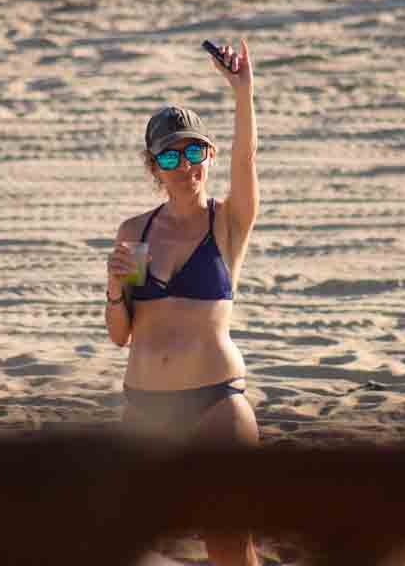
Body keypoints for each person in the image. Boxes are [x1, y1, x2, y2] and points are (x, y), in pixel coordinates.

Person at [105, 40, 261, 566]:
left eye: (194, 151)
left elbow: (248, 159)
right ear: (155, 166)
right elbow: (120, 334)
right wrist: (112, 289)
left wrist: (242, 92)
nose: (185, 165)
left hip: (216, 403)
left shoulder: (228, 222)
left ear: (208, 155)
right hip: (144, 408)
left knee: (228, 545)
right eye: (171, 155)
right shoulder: (136, 233)